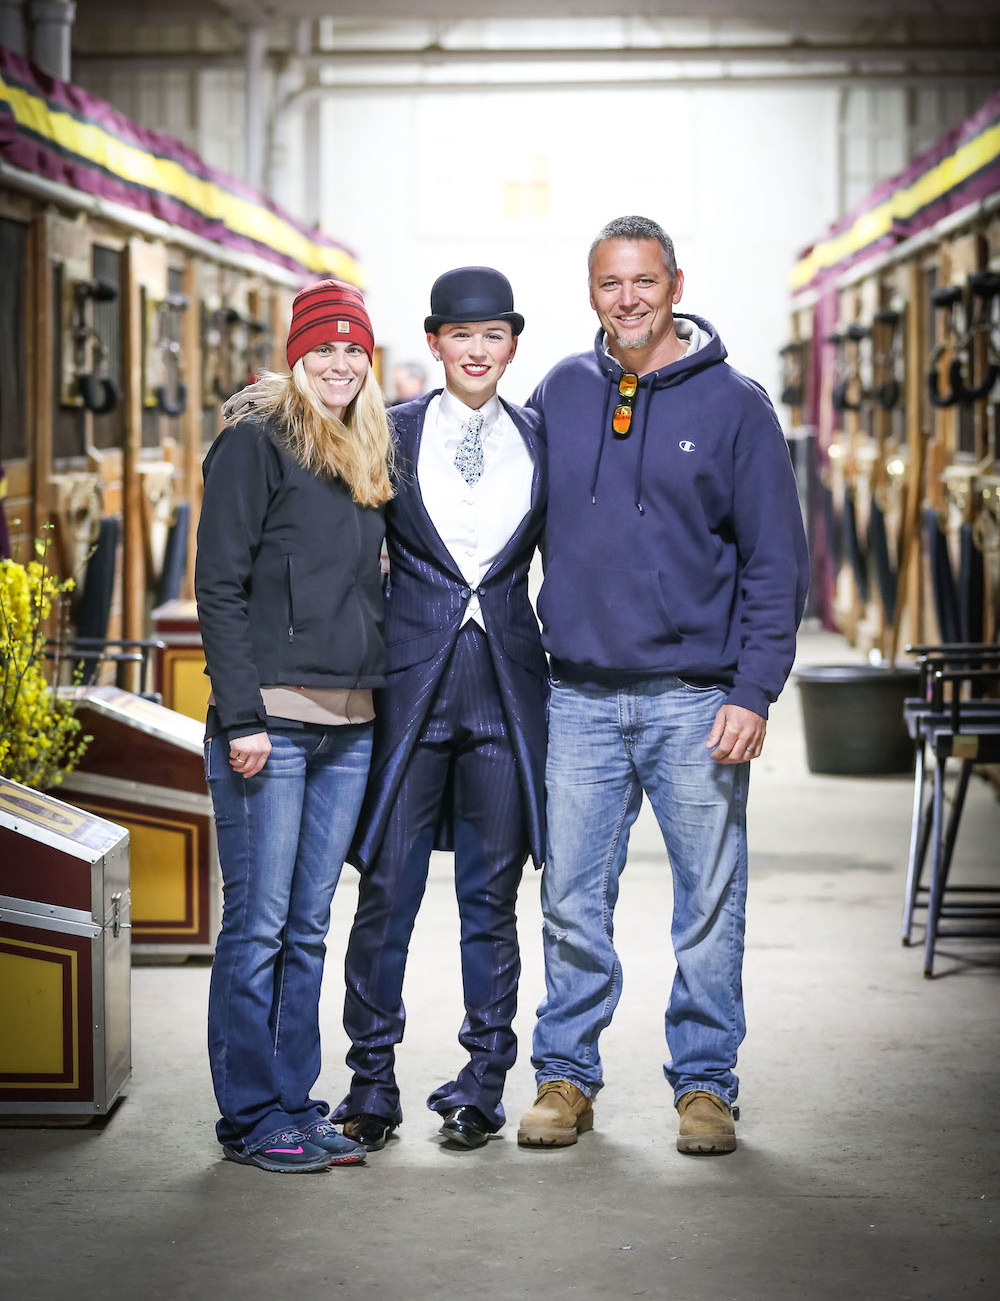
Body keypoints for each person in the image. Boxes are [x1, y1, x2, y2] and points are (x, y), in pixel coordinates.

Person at [517, 215, 809, 1156]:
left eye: (645, 281)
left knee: (709, 901)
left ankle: (705, 1088)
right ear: (591, 291)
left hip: (696, 699)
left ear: (675, 284)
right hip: (582, 699)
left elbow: (776, 564)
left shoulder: (736, 406)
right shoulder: (560, 392)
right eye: (611, 283)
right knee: (571, 899)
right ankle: (565, 1078)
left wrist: (753, 690)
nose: (629, 298)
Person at [332, 266, 547, 1152]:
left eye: (494, 335)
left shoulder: (542, 436)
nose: (478, 350)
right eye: (462, 336)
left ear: (511, 343)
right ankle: (370, 1082)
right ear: (433, 342)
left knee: (490, 898)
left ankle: (482, 1083)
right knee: (387, 891)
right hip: (408, 684)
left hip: (503, 686)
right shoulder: (392, 432)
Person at [195, 278, 393, 1174]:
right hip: (268, 726)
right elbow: (220, 587)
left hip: (348, 724)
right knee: (259, 924)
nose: (341, 362)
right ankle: (248, 1114)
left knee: (309, 924)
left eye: (354, 348)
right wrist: (240, 716)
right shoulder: (254, 443)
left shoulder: (364, 447)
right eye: (324, 348)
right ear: (296, 355)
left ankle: (294, 1102)